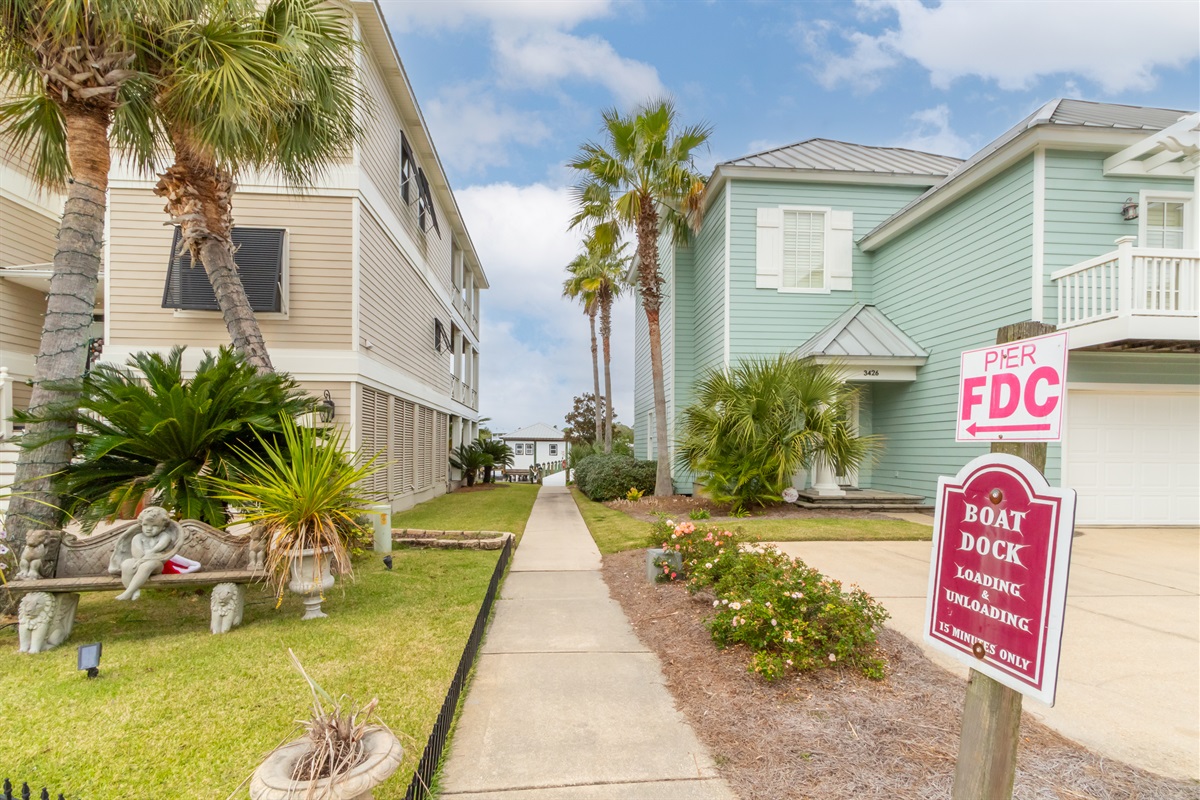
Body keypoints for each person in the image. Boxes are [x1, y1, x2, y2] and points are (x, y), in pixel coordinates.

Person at [115, 506, 182, 601]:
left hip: (156, 563)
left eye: (154, 526)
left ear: (163, 527)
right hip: (138, 560)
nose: (149, 529)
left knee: (147, 565)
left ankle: (128, 593)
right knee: (126, 565)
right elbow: (137, 554)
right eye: (145, 525)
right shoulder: (137, 537)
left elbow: (155, 550)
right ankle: (134, 590)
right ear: (141, 524)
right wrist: (141, 559)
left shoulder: (164, 536)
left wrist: (144, 558)